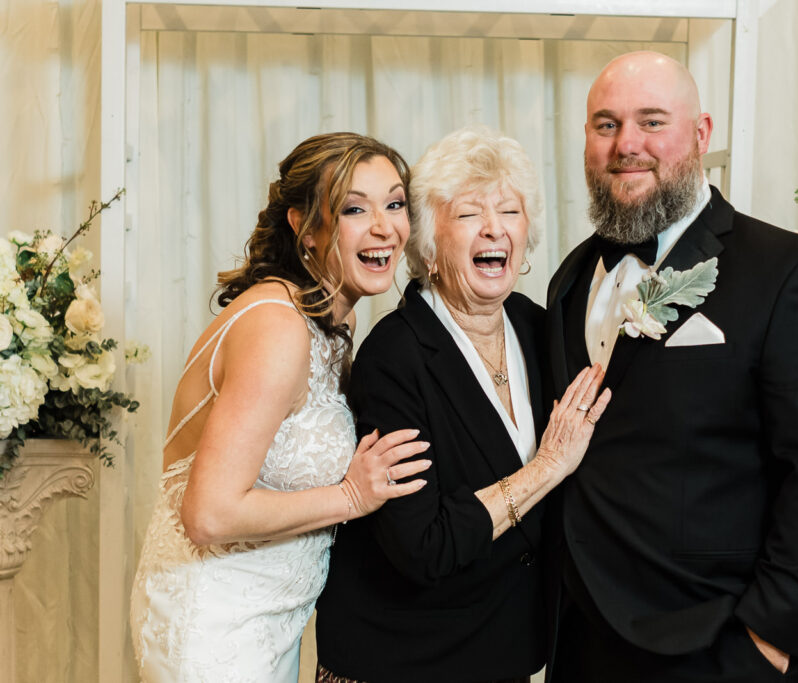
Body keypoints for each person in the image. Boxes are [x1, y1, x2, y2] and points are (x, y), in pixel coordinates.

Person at [544, 52, 798, 682]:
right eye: (605, 124)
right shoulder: (569, 278)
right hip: (587, 645)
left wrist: (765, 640)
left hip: (721, 644)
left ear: (701, 134)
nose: (626, 145)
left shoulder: (790, 273)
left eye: (652, 121)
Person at [129, 132, 432, 682]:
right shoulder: (278, 327)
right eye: (353, 209)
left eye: (394, 203)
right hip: (215, 627)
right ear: (304, 226)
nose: (385, 227)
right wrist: (351, 495)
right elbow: (209, 515)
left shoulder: (331, 319)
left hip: (271, 626)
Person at [315, 127, 611, 683]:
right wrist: (547, 468)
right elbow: (422, 545)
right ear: (428, 241)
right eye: (470, 214)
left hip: (508, 651)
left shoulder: (537, 325)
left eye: (510, 210)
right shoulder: (395, 357)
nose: (495, 227)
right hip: (404, 659)